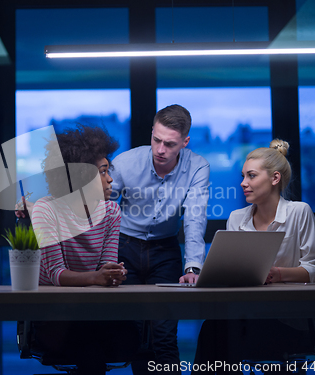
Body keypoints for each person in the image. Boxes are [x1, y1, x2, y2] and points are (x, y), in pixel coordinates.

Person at [193, 139, 315, 374]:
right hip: (245, 315)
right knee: (212, 329)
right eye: (243, 176)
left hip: (286, 318)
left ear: (275, 179)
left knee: (223, 333)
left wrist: (278, 274)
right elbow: (230, 270)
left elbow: (314, 270)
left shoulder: (299, 212)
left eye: (251, 176)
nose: (244, 183)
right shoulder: (236, 218)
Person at [20, 124, 140, 375]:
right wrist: (98, 277)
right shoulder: (47, 209)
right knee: (91, 345)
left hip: (91, 311)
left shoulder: (110, 211)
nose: (110, 179)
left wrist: (112, 273)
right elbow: (56, 274)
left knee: (119, 337)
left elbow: (104, 267)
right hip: (54, 316)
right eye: (103, 172)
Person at [109, 104, 210, 374]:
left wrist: (193, 267)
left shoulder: (198, 167)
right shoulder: (125, 162)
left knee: (164, 335)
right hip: (125, 247)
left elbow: (195, 217)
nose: (160, 149)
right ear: (152, 132)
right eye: (156, 140)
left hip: (165, 250)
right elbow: (100, 207)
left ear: (185, 142)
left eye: (169, 144)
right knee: (136, 331)